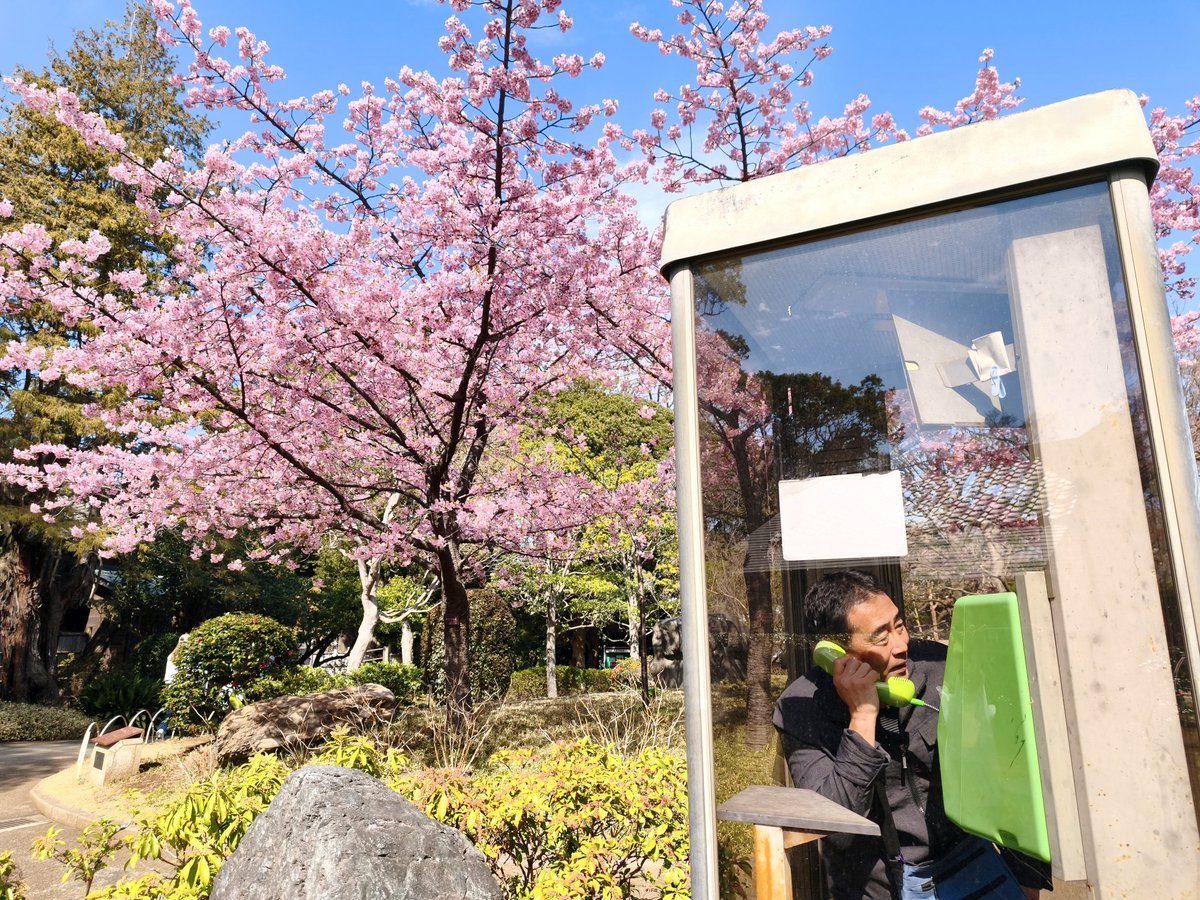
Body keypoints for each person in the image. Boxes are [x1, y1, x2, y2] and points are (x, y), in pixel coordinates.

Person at [773, 570, 1049, 900]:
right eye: (880, 637)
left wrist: (1026, 878)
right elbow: (834, 823)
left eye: (899, 626)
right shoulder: (802, 708)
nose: (901, 645)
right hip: (876, 887)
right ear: (835, 651)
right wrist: (862, 714)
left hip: (970, 865)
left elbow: (1014, 767)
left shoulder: (944, 668)